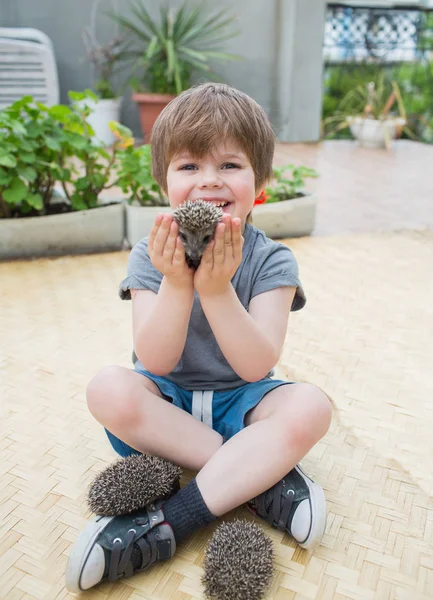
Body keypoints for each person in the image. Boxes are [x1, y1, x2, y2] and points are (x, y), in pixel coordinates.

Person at [66, 83, 332, 593]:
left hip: (243, 399)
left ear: (261, 182)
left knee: (312, 407)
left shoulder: (272, 260)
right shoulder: (151, 255)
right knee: (107, 387)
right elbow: (156, 359)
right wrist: (179, 280)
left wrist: (215, 288)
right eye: (189, 167)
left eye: (229, 165)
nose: (209, 181)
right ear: (164, 182)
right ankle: (260, 475)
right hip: (167, 413)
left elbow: (257, 366)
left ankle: (173, 520)